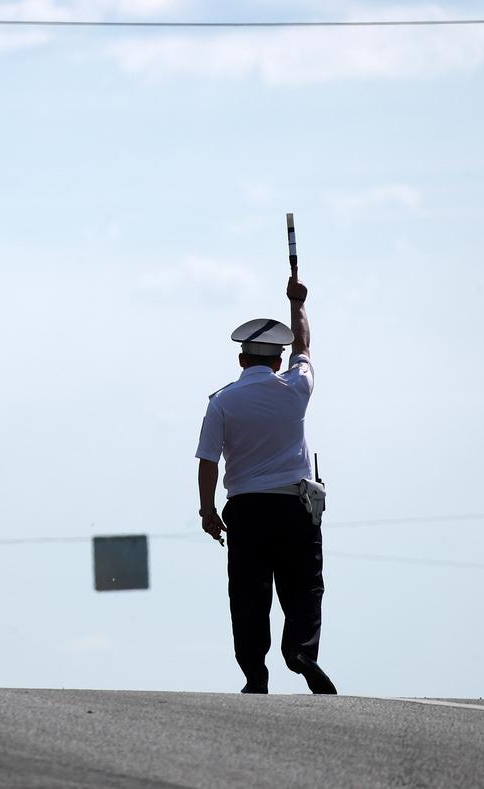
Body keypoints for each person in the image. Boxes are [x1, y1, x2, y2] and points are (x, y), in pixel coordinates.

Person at [194, 270, 337, 695]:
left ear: (242, 359)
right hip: (294, 508)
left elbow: (207, 460)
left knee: (248, 595)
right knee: (304, 586)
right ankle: (302, 655)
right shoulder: (295, 387)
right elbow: (306, 344)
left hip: (247, 510)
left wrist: (207, 511)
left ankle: (255, 673)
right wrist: (297, 302)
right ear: (278, 360)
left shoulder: (222, 402)